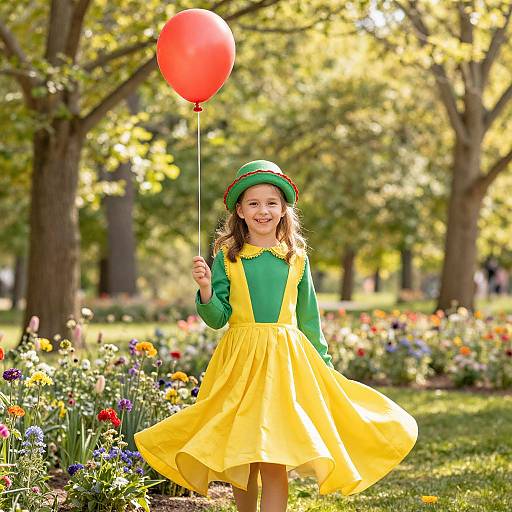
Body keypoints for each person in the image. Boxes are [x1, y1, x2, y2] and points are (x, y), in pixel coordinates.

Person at [134, 160, 418, 512]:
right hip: (240, 363)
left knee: (273, 453)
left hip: (284, 364)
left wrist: (324, 366)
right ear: (239, 211)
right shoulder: (227, 257)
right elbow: (218, 317)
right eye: (253, 203)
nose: (263, 210)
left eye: (271, 202)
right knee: (243, 451)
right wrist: (206, 288)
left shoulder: (295, 258)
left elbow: (309, 319)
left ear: (284, 209)